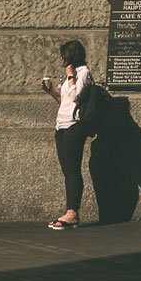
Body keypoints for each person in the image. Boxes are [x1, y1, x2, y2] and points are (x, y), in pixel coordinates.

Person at [41, 39, 93, 229]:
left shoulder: (83, 72)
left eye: (64, 54)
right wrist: (51, 92)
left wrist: (71, 76)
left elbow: (76, 96)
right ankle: (70, 212)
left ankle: (72, 213)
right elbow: (65, 101)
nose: (61, 58)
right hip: (61, 126)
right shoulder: (70, 75)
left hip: (74, 126)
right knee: (67, 170)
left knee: (73, 170)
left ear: (72, 56)